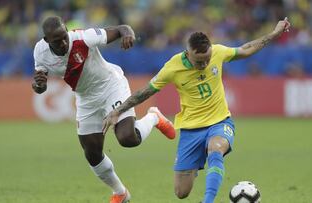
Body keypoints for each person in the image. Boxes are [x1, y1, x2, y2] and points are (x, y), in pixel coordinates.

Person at [103, 18, 291, 202]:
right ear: (188, 53)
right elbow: (145, 92)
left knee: (215, 149)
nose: (204, 65)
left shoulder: (218, 52)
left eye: (207, 60)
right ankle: (158, 120)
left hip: (220, 122)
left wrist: (274, 34)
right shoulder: (172, 67)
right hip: (190, 130)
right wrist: (118, 110)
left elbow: (246, 48)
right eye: (199, 61)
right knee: (181, 192)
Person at [31, 16, 176, 203]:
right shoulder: (40, 51)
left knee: (128, 138)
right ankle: (120, 192)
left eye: (64, 37)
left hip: (111, 87)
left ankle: (153, 117)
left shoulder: (83, 38)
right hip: (86, 98)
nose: (63, 43)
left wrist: (128, 35)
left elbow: (122, 28)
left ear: (67, 30)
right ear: (46, 40)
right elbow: (40, 84)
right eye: (57, 41)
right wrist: (38, 86)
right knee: (92, 153)